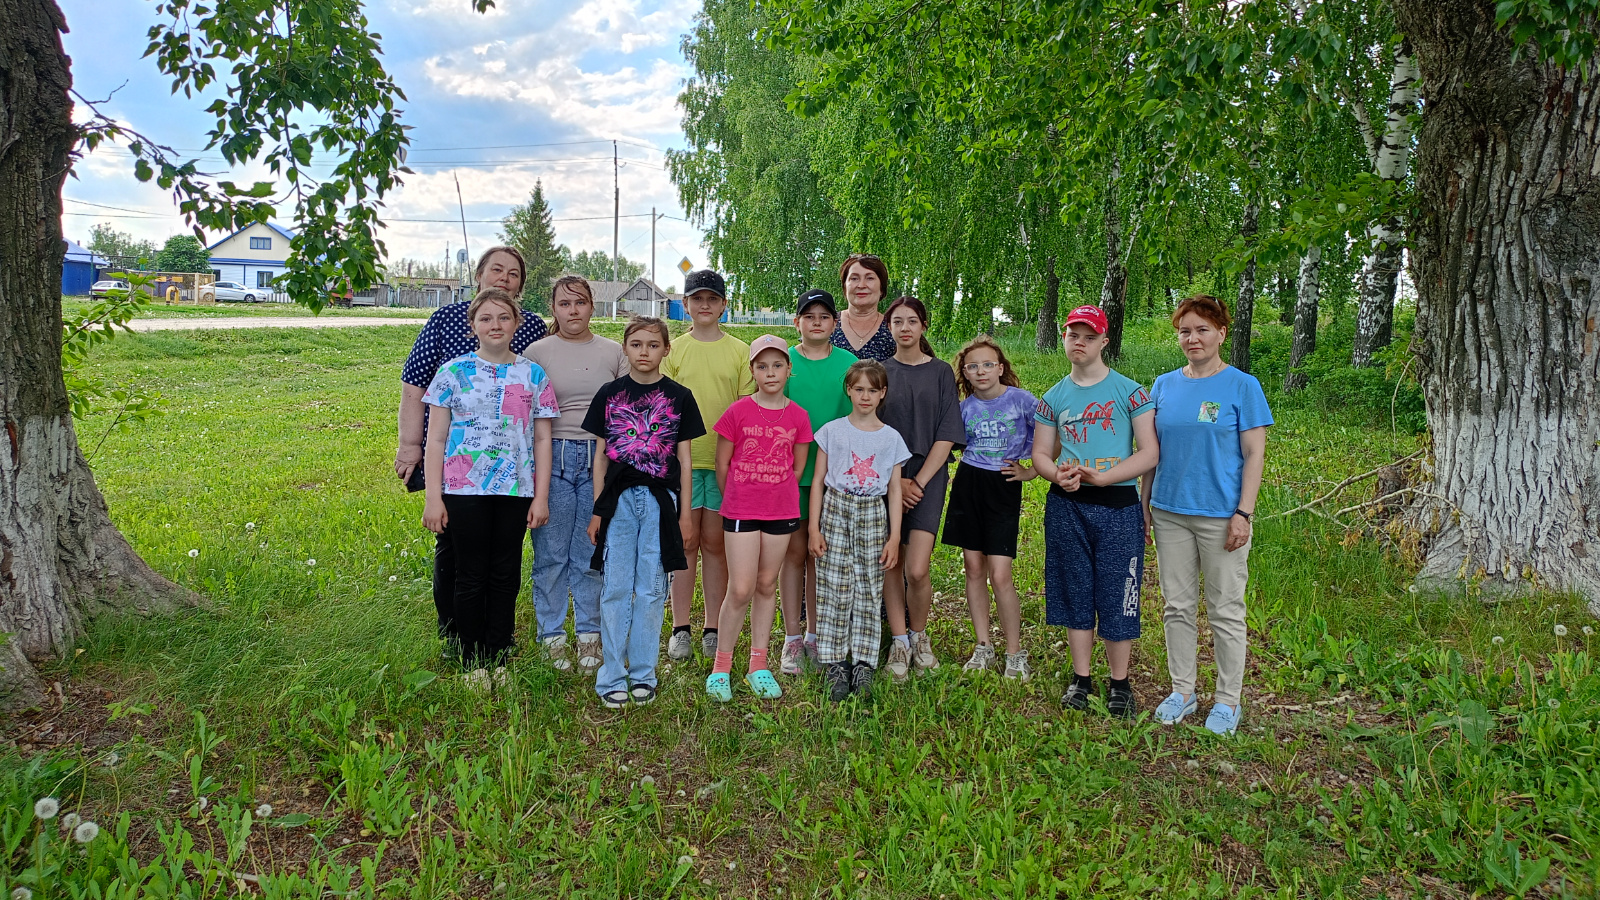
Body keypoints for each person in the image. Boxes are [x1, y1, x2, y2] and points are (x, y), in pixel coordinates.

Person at [398, 246, 547, 647]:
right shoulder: (446, 320)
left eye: (513, 273)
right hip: (458, 466)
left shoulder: (531, 327)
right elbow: (414, 384)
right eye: (496, 269)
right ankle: (456, 632)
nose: (504, 277)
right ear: (479, 274)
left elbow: (536, 394)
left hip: (513, 472)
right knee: (456, 550)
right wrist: (411, 445)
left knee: (502, 560)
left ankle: (496, 638)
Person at [1144, 295, 1272, 735]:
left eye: (1202, 329)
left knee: (1225, 610)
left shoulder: (1242, 386)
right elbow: (1151, 453)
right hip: (1169, 511)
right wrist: (1145, 506)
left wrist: (1244, 513)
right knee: (1177, 606)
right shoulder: (1162, 385)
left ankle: (1227, 701)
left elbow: (1254, 453)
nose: (1192, 338)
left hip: (1222, 515)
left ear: (1221, 333)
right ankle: (1182, 692)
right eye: (1184, 330)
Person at [420, 288, 559, 675]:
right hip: (464, 491)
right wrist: (434, 498)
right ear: (473, 326)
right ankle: (471, 661)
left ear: (517, 323)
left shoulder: (532, 374)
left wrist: (540, 496)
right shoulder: (452, 373)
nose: (494, 325)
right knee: (470, 574)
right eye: (485, 318)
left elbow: (542, 438)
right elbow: (436, 441)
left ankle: (497, 654)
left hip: (515, 490)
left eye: (503, 317)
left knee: (505, 573)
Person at [1031, 306, 1155, 719]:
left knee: (1119, 594)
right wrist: (1057, 475)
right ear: (1064, 339)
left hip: (1118, 506)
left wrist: (1106, 478)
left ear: (1104, 342)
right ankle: (1081, 678)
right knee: (1075, 589)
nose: (1078, 342)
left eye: (1088, 335)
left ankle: (1120, 682)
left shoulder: (1130, 392)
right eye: (1072, 335)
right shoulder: (1053, 398)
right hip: (1069, 506)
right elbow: (1041, 455)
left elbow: (1149, 452)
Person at [584, 317, 704, 709]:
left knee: (652, 587)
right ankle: (612, 675)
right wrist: (598, 511)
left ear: (666, 350)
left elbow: (684, 462)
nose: (644, 352)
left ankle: (643, 673)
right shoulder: (609, 394)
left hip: (660, 502)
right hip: (618, 502)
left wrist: (685, 514)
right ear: (625, 348)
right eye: (636, 344)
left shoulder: (680, 397)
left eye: (653, 345)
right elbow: (601, 458)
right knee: (616, 586)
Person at [524, 276, 628, 673]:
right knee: (550, 554)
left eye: (580, 303)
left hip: (598, 459)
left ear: (592, 307)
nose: (573, 311)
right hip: (552, 458)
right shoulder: (537, 352)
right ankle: (551, 635)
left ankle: (589, 635)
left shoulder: (612, 352)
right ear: (553, 309)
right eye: (565, 304)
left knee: (590, 551)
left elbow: (624, 409)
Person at [704, 336, 815, 702]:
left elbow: (797, 467)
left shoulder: (798, 416)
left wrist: (774, 490)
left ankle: (758, 664)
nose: (770, 372)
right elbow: (723, 464)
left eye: (778, 365)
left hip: (781, 511)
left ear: (789, 369)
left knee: (767, 584)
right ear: (752, 371)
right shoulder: (738, 412)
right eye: (762, 366)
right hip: (741, 510)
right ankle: (721, 667)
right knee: (741, 588)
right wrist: (740, 492)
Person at [661, 269, 754, 661]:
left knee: (716, 545)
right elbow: (662, 407)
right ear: (685, 305)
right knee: (685, 544)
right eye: (696, 299)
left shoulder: (739, 351)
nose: (704, 305)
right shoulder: (675, 351)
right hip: (681, 463)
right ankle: (680, 627)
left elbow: (745, 410)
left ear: (723, 305)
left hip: (722, 465)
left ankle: (712, 626)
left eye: (711, 299)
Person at [809, 360, 908, 701]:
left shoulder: (890, 438)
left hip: (872, 514)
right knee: (833, 586)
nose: (865, 396)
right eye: (859, 389)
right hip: (836, 510)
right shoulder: (832, 431)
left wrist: (894, 537)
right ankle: (835, 661)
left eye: (872, 390)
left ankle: (863, 662)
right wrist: (813, 528)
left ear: (882, 394)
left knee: (868, 586)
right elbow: (818, 483)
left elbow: (895, 490)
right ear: (849, 390)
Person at [878, 296, 965, 682]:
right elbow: (870, 431)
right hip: (885, 477)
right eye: (897, 322)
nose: (905, 328)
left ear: (923, 326)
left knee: (917, 568)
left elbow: (947, 433)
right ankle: (898, 640)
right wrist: (897, 481)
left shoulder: (942, 372)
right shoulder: (879, 373)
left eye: (912, 321)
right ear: (889, 328)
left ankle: (918, 635)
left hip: (928, 477)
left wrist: (920, 482)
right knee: (890, 563)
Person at [943, 335, 1037, 681]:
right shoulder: (964, 407)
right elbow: (948, 442)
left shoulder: (1022, 401)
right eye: (972, 366)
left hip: (1003, 486)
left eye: (987, 364)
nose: (980, 371)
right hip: (970, 484)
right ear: (964, 373)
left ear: (1000, 368)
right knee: (973, 567)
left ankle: (1014, 652)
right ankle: (983, 646)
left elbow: (1051, 434)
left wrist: (1032, 470)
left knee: (1000, 573)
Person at [779, 289, 857, 676]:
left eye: (824, 317)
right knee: (793, 555)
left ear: (835, 324)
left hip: (834, 479)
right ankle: (792, 637)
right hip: (790, 476)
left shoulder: (849, 363)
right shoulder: (785, 362)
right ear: (797, 323)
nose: (816, 322)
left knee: (818, 556)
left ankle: (815, 634)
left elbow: (855, 420)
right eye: (808, 316)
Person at [831, 254, 896, 360]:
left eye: (870, 278)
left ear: (882, 288)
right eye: (854, 278)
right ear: (844, 286)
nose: (861, 285)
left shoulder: (895, 328)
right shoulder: (827, 324)